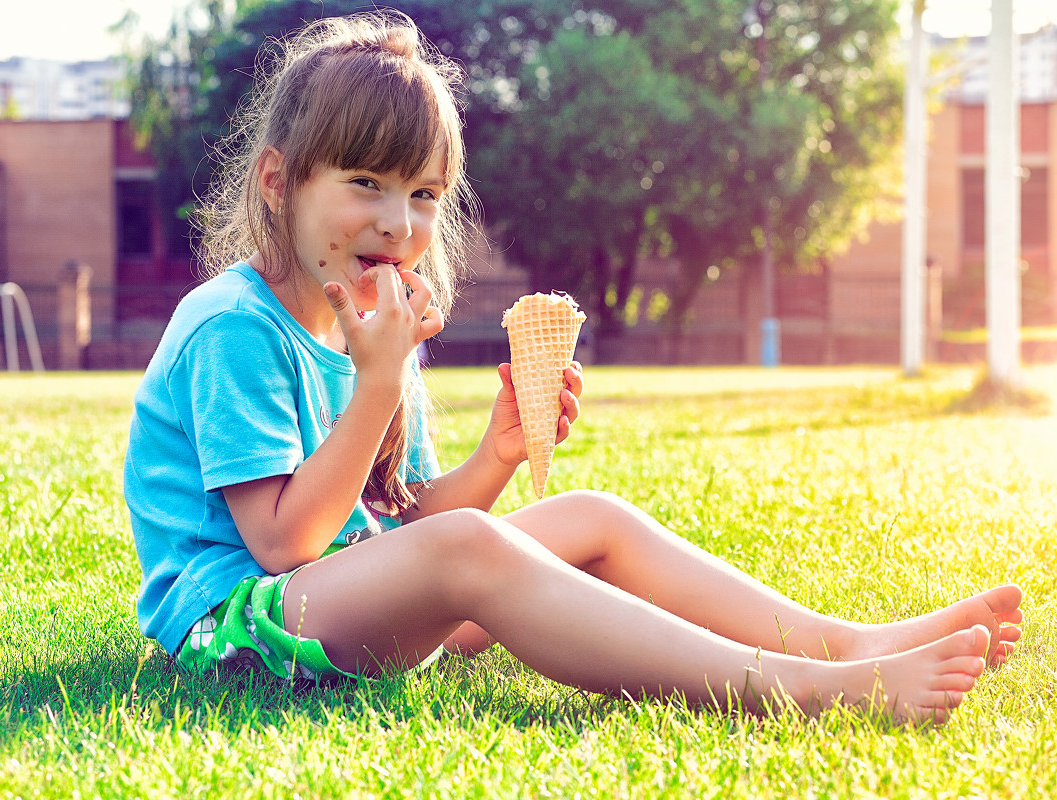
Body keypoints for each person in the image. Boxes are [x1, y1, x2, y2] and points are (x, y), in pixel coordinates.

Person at [123, 11, 1022, 725]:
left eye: (424, 194)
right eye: (365, 183)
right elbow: (286, 543)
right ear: (279, 181)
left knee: (589, 516)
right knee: (472, 550)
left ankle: (844, 644)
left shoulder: (371, 326)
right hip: (236, 629)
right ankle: (801, 690)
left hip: (346, 595)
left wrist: (497, 456)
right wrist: (378, 386)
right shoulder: (233, 329)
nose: (398, 224)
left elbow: (404, 518)